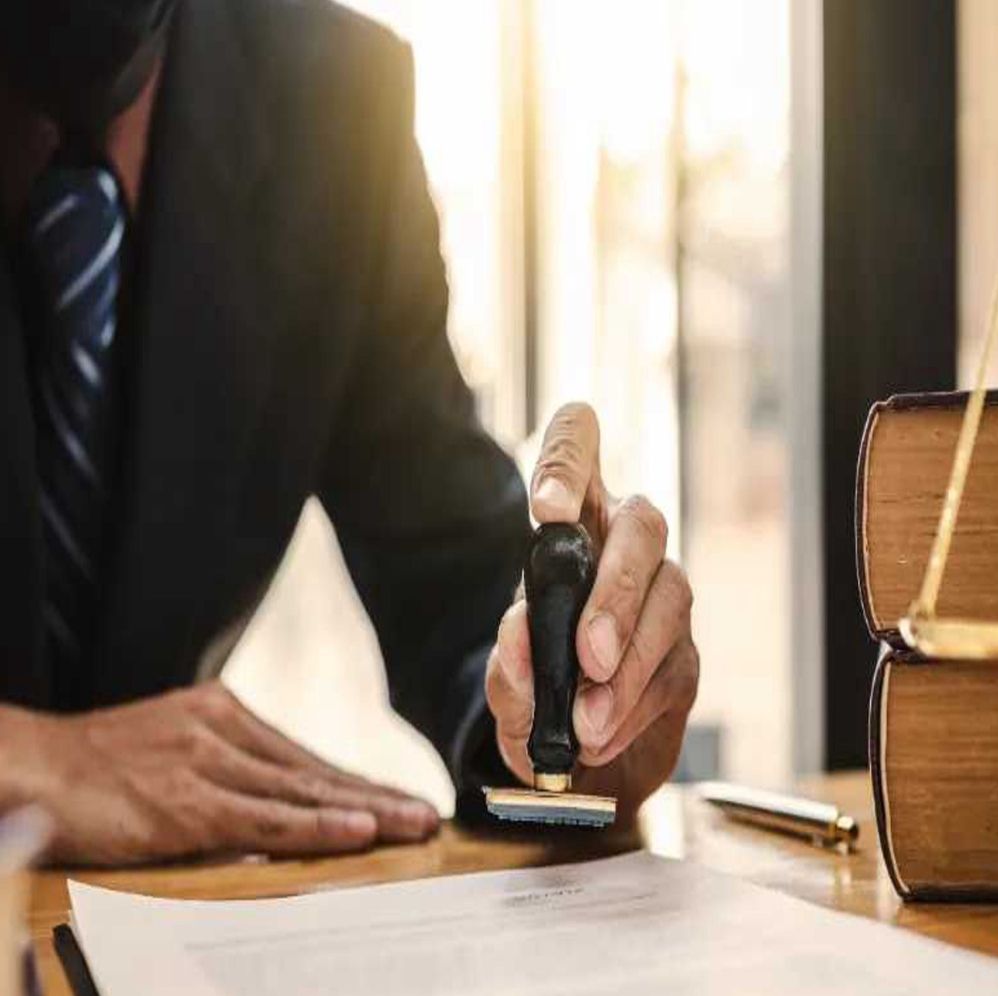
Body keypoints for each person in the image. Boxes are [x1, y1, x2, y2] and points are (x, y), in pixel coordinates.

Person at [0, 0, 698, 865]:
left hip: (153, 941)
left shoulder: (331, 102)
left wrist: (574, 705)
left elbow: (454, 588)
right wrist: (28, 761)